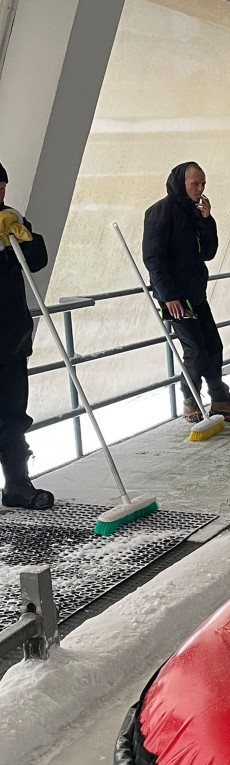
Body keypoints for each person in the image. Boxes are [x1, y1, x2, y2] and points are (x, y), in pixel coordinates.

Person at [142, 161, 230, 424]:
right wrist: (169, 296)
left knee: (213, 346)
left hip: (196, 294)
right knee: (195, 350)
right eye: (196, 183)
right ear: (182, 182)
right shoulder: (159, 212)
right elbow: (153, 258)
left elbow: (208, 252)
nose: (200, 188)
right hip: (175, 299)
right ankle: (190, 400)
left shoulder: (195, 212)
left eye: (203, 183)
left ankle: (220, 401)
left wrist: (206, 220)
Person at [0, 161, 54, 510]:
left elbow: (36, 261)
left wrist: (25, 236)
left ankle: (17, 484)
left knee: (13, 413)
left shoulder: (10, 219)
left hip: (11, 337)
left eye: (1, 185)